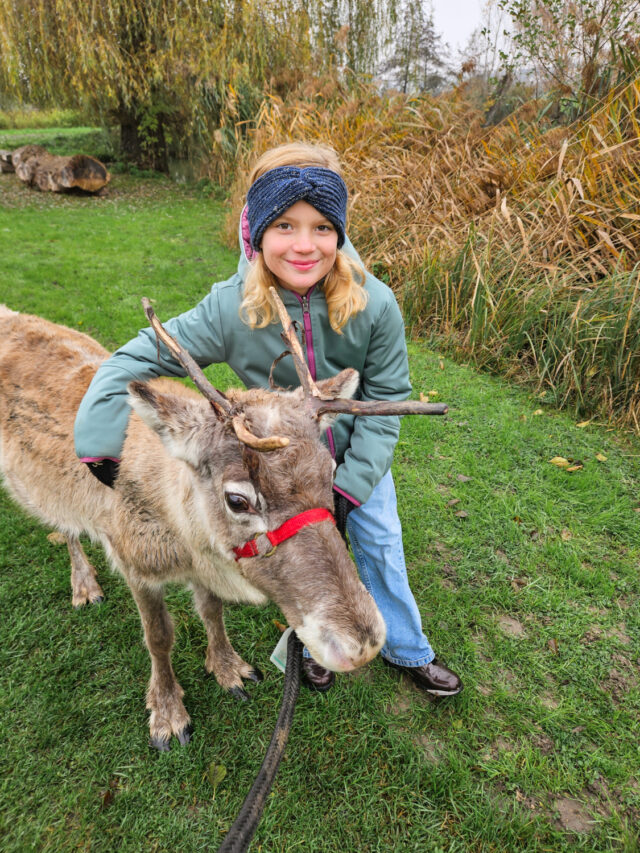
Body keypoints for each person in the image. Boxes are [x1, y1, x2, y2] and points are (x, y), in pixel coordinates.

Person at [74, 142, 462, 697]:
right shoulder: (232, 308)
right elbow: (138, 358)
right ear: (255, 230)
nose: (305, 245)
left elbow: (386, 401)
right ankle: (313, 647)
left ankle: (407, 648)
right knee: (289, 556)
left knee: (379, 543)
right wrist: (96, 436)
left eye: (323, 227)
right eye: (284, 225)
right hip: (272, 472)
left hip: (347, 466)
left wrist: (350, 486)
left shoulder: (376, 305)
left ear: (341, 233)